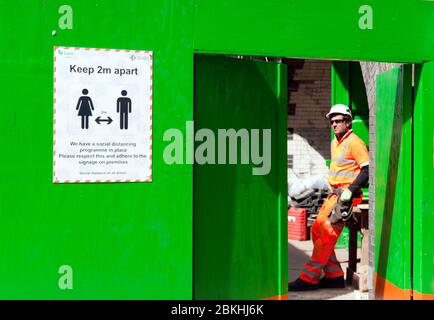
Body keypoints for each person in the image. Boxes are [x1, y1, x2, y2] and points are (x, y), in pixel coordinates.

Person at [288, 104, 369, 291]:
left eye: (338, 121)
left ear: (348, 122)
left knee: (325, 235)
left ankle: (308, 279)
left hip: (346, 197)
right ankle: (334, 276)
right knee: (316, 230)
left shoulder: (355, 143)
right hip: (334, 195)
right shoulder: (335, 142)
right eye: (332, 121)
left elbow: (366, 169)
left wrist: (351, 190)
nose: (334, 124)